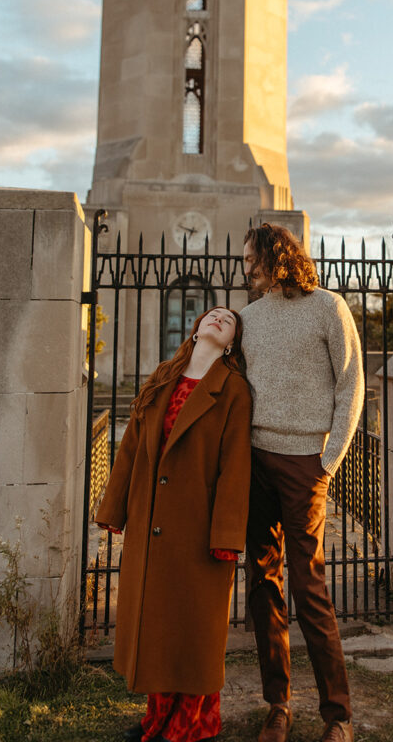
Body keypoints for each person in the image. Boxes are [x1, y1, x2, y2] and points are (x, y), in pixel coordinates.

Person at [95, 306, 252, 742]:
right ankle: (156, 720)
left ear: (233, 342)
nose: (220, 318)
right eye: (213, 314)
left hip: (198, 531)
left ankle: (190, 727)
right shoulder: (164, 375)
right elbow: (130, 446)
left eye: (230, 320)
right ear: (197, 327)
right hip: (150, 525)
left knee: (195, 636)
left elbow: (234, 468)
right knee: (159, 633)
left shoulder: (234, 389)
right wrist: (114, 508)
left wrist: (225, 536)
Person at [241, 224, 364, 742]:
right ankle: (278, 706)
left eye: (252, 259)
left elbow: (352, 381)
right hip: (255, 464)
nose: (245, 268)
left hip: (305, 464)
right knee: (262, 585)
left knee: (308, 586)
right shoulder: (248, 319)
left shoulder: (328, 308)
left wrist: (329, 460)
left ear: (277, 256)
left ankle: (338, 716)